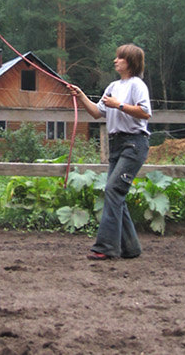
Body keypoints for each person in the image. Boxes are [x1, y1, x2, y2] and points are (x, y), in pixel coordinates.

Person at [69, 44, 152, 261]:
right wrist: (81, 96)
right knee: (116, 193)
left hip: (134, 144)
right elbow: (97, 112)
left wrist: (119, 105)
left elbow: (145, 113)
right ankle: (131, 248)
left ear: (130, 62)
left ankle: (106, 247)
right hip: (117, 145)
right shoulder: (113, 86)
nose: (115, 61)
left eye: (120, 58)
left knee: (113, 189)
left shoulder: (137, 85)